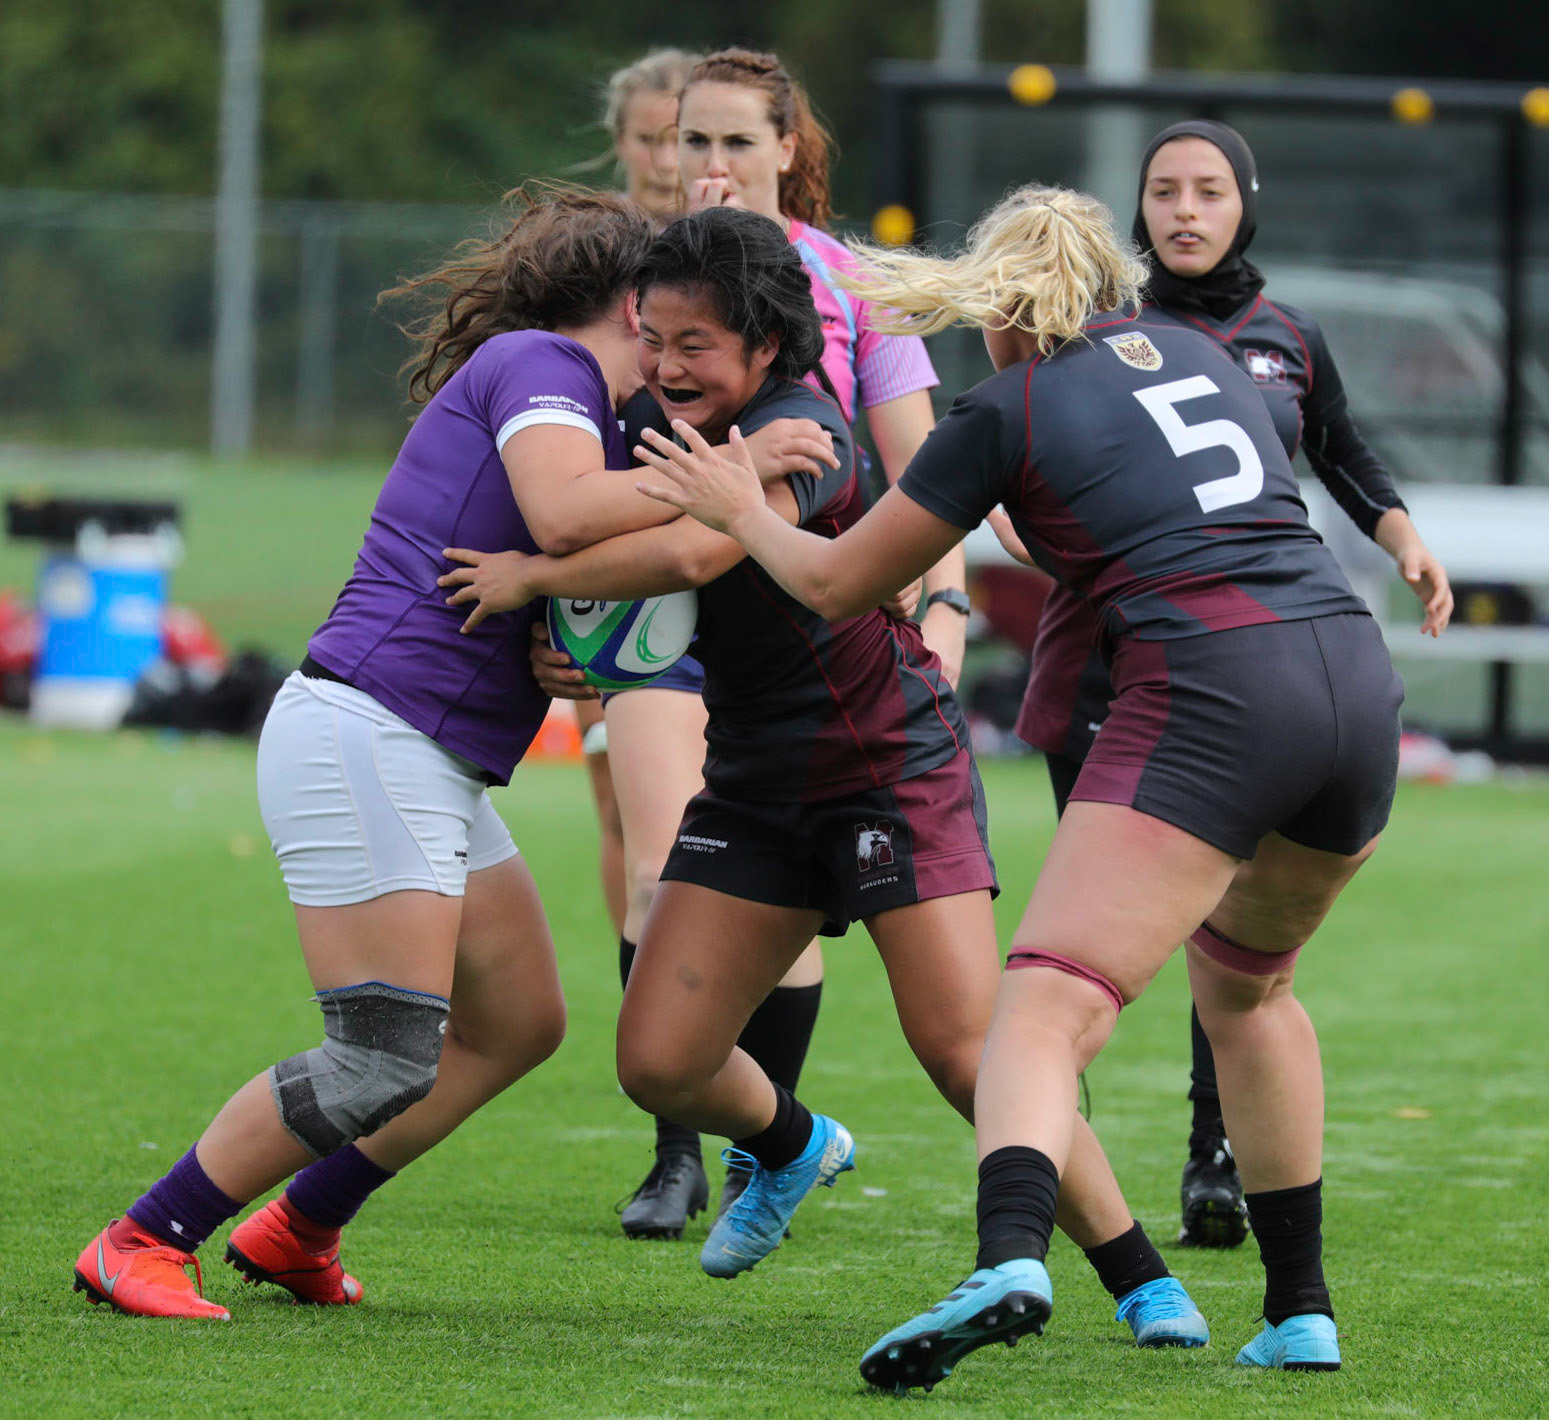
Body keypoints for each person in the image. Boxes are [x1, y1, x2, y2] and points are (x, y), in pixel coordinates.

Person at [633, 186, 1408, 1381]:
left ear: (999, 305)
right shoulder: (1202, 353)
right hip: (1352, 677)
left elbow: (836, 583)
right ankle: (1300, 1311)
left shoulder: (1007, 403)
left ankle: (1008, 1258)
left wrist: (740, 507)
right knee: (1251, 991)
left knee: (1040, 1006)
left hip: (1217, 686)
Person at [442, 205, 1210, 1347]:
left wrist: (528, 578)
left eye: (696, 344)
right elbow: (626, 574)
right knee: (658, 1062)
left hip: (886, 765)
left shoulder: (801, 428)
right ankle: (797, 1146)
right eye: (653, 338)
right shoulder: (649, 421)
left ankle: (1141, 1277)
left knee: (967, 1050)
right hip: (754, 779)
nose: (666, 365)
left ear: (765, 345)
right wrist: (569, 644)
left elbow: (699, 547)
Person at [66, 186, 683, 1321]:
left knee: (519, 1024)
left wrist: (555, 644)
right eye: (673, 316)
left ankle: (297, 1226)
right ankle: (143, 1238)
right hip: (373, 729)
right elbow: (560, 515)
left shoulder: (576, 399)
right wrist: (732, 483)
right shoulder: (544, 360)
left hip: (417, 746)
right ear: (635, 304)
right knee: (380, 1051)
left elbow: (540, 554)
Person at [996, 120, 1453, 1250]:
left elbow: (1339, 447)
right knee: (1080, 958)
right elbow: (1021, 457)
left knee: (1227, 949)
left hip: (1240, 674)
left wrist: (1402, 536)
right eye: (1162, 191)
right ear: (1136, 209)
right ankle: (1056, 1171)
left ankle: (1216, 1154)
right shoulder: (1102, 329)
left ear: (1245, 202)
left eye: (1207, 190)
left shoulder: (1285, 335)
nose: (1184, 212)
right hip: (1110, 661)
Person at [597, 46, 974, 1242]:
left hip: (808, 608)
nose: (707, 162)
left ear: (786, 150)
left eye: (734, 141)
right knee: (664, 867)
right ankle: (679, 1152)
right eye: (689, 140)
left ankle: (769, 1146)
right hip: (668, 605)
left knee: (782, 899)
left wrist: (946, 608)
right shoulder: (638, 276)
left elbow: (923, 472)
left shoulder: (851, 282)